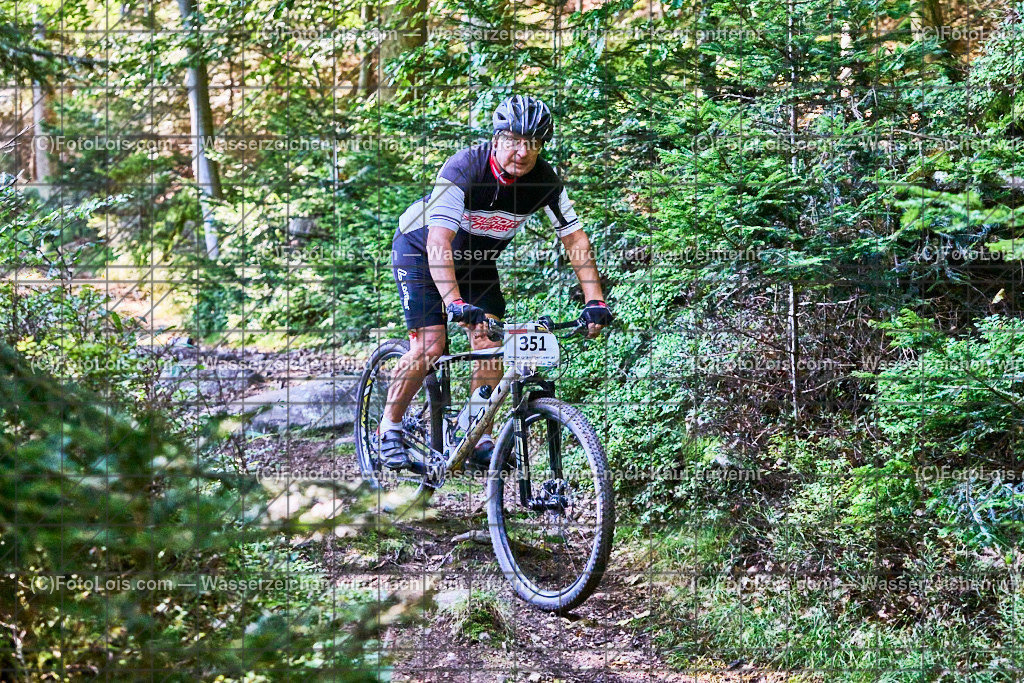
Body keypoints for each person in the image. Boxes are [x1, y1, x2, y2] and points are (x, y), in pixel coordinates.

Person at [380, 94, 613, 472]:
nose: (521, 151)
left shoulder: (544, 182)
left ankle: (473, 433)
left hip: (477, 260)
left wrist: (595, 300)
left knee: (488, 339)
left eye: (532, 143)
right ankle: (388, 428)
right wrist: (454, 303)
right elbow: (439, 241)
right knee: (431, 344)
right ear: (496, 138)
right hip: (421, 249)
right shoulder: (465, 168)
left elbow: (575, 239)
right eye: (513, 140)